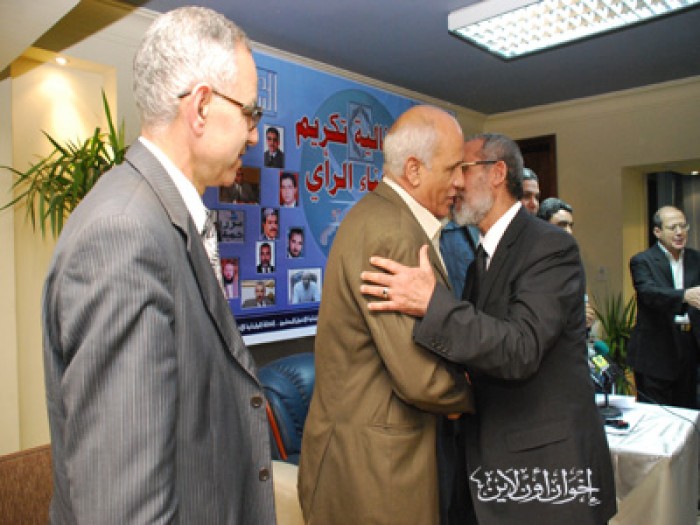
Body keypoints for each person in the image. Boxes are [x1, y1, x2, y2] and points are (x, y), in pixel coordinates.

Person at [41, 7, 275, 524]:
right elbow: (125, 509)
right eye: (250, 113)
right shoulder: (123, 235)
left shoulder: (158, 218)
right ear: (201, 107)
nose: (255, 135)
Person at [360, 132, 616, 525]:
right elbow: (480, 347)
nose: (454, 182)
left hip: (546, 476)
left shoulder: (550, 246)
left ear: (496, 173)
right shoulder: (481, 258)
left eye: (461, 169)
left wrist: (432, 303)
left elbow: (521, 348)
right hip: (491, 467)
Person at [298, 106, 474, 525]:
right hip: (377, 471)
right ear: (413, 170)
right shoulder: (393, 232)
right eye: (453, 168)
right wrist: (473, 395)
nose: (461, 182)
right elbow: (420, 378)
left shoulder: (382, 216)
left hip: (368, 461)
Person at [627, 205, 700, 409]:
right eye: (672, 227)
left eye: (683, 226)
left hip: (689, 347)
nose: (679, 232)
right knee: (657, 415)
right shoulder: (642, 261)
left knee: (687, 413)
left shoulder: (696, 259)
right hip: (656, 351)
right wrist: (684, 296)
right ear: (657, 231)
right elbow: (648, 293)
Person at [537, 197, 595, 328]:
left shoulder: (574, 261)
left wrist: (585, 315)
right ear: (543, 225)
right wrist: (575, 314)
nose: (569, 231)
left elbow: (580, 299)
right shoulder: (530, 261)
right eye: (562, 225)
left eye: (570, 225)